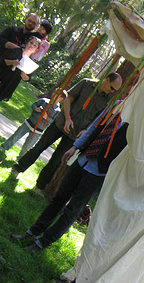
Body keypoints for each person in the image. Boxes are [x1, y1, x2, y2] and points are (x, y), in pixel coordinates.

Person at [10, 107, 128, 253]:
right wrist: (75, 147)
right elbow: (93, 128)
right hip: (82, 159)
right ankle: (32, 232)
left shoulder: (140, 120)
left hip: (99, 172)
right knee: (58, 198)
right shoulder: (117, 106)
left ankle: (42, 243)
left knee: (72, 210)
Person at [10, 72, 122, 192]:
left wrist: (86, 130)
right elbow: (68, 99)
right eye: (112, 88)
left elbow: (97, 118)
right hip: (61, 123)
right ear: (107, 80)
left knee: (56, 161)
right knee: (39, 147)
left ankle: (39, 186)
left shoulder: (108, 100)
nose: (112, 92)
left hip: (75, 133)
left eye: (114, 90)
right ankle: (17, 168)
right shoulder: (86, 83)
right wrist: (68, 118)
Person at [0, 89, 67, 157]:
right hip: (29, 123)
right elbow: (34, 105)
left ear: (61, 99)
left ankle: (20, 159)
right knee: (16, 136)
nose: (54, 94)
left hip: (38, 131)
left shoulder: (57, 111)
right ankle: (4, 147)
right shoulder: (44, 100)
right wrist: (36, 109)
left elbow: (53, 121)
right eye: (54, 92)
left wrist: (46, 118)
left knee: (27, 146)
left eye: (57, 94)